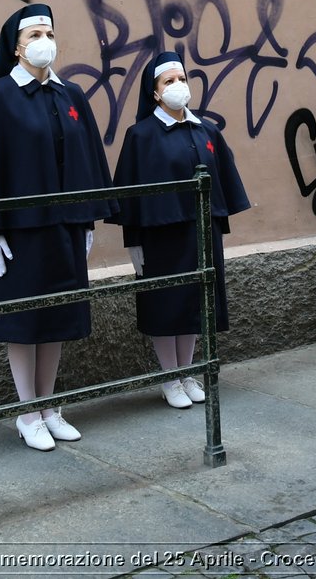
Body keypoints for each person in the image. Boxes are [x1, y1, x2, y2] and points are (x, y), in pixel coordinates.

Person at [0, 2, 116, 450]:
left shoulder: (71, 96)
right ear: (17, 47)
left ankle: (50, 406)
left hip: (64, 225)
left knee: (58, 317)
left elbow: (87, 160)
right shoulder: (0, 95)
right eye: (34, 36)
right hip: (20, 231)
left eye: (49, 33)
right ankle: (27, 412)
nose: (44, 42)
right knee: (25, 321)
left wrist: (87, 219)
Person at [109, 51, 250, 408]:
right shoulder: (140, 135)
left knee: (193, 305)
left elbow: (222, 182)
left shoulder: (206, 130)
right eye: (168, 81)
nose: (177, 86)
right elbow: (130, 192)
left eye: (182, 79)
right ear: (154, 92)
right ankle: (169, 378)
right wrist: (133, 242)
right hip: (160, 235)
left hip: (200, 232)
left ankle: (187, 373)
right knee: (165, 305)